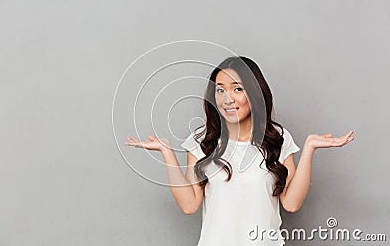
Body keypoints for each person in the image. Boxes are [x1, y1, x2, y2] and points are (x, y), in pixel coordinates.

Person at [124, 56, 354, 246]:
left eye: (237, 89)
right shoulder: (202, 141)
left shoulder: (278, 138)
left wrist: (310, 149)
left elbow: (291, 204)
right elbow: (189, 205)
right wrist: (167, 154)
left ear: (254, 94)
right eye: (220, 90)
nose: (228, 99)